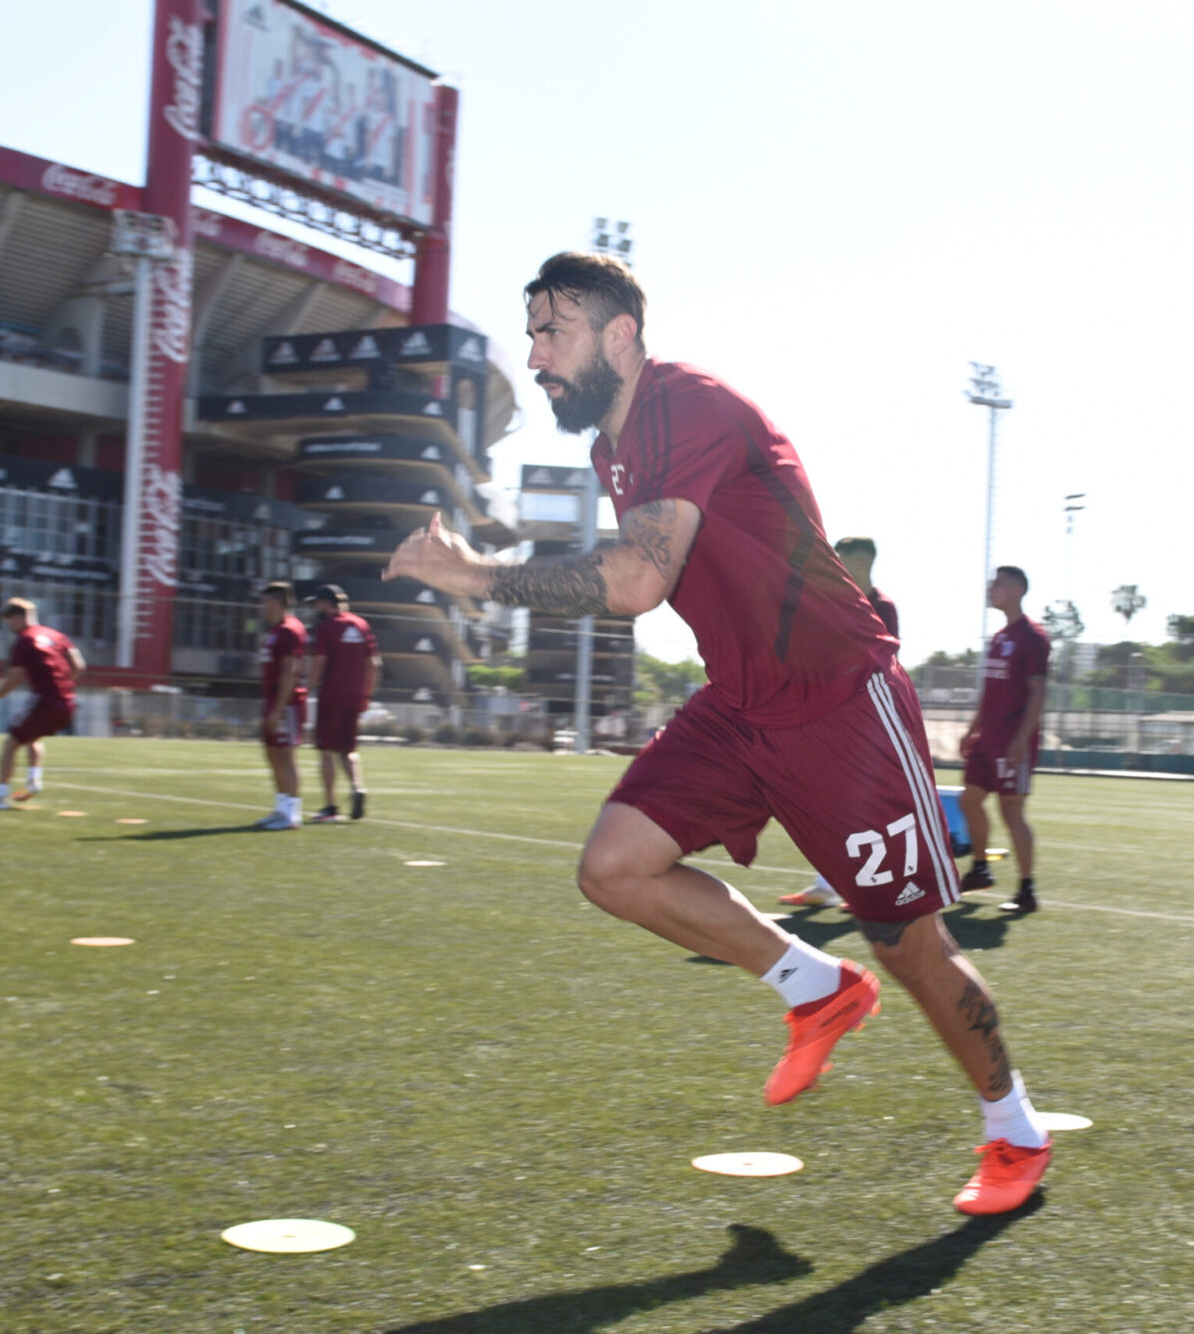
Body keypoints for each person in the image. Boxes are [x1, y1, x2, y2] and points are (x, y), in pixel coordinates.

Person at [384, 252, 1051, 1215]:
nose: (534, 356)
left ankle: (1015, 1132)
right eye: (531, 334)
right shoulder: (613, 445)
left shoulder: (683, 407)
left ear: (620, 335)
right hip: (740, 703)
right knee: (613, 866)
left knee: (908, 946)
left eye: (551, 332)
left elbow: (636, 581)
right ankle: (815, 986)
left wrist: (476, 573)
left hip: (839, 706)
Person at [781, 536, 898, 910]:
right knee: (826, 800)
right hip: (830, 714)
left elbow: (880, 659)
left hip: (867, 716)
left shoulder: (882, 607)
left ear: (861, 563)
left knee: (865, 803)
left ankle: (879, 886)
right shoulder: (831, 601)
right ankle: (828, 885)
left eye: (841, 560)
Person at [959, 567, 1050, 914]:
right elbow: (990, 694)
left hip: (1013, 741)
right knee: (970, 801)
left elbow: (1038, 691)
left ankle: (1027, 891)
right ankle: (980, 869)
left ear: (1017, 590)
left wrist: (1021, 741)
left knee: (1012, 813)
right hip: (987, 740)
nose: (990, 588)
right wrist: (972, 730)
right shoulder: (998, 638)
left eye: (997, 583)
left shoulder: (1033, 637)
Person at [0, 598, 83, 811]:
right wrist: (62, 686)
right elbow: (79, 665)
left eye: (10, 621)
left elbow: (13, 680)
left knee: (10, 744)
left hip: (45, 700)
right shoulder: (55, 635)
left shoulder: (24, 641)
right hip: (68, 702)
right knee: (31, 737)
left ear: (19, 617)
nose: (9, 626)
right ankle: (33, 781)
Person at [304, 584, 382, 823]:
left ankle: (330, 805)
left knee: (327, 751)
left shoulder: (327, 627)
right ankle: (358, 788)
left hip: (331, 695)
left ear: (326, 603)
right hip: (355, 696)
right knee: (348, 750)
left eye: (317, 603)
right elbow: (375, 664)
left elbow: (319, 662)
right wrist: (366, 695)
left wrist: (306, 689)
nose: (316, 607)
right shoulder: (361, 625)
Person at [255, 581, 307, 831]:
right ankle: (280, 809)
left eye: (265, 601)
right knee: (273, 754)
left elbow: (290, 671)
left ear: (277, 602)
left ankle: (291, 815)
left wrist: (278, 709)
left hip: (286, 705)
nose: (262, 607)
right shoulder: (275, 630)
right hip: (273, 702)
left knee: (285, 756)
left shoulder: (289, 629)